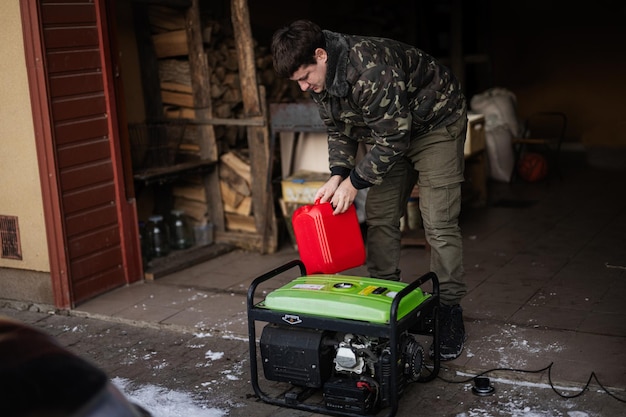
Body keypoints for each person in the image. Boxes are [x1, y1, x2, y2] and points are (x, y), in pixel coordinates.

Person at [272, 20, 468, 360]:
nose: (304, 87)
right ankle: (385, 298)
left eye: (305, 77)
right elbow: (338, 129)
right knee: (380, 216)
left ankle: (448, 310)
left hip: (435, 124)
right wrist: (338, 174)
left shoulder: (369, 68)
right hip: (389, 136)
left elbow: (395, 138)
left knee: (437, 222)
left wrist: (355, 182)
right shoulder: (321, 81)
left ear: (321, 55)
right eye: (298, 82)